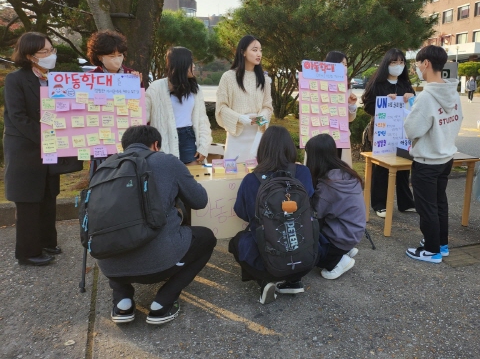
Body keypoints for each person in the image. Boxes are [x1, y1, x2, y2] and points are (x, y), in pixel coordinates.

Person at [97, 125, 216, 325]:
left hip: (109, 265)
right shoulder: (166, 161)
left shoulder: (105, 167)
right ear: (155, 145)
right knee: (206, 238)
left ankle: (122, 301)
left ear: (124, 146)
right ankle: (163, 302)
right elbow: (199, 201)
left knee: (115, 230)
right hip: (160, 264)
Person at [228, 126, 314, 304]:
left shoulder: (251, 180)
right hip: (305, 255)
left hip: (268, 254)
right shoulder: (303, 173)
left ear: (262, 150)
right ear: (290, 148)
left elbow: (241, 212)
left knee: (237, 242)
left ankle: (265, 279)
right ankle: (293, 279)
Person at [4, 32, 61, 266]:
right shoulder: (16, 79)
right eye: (44, 52)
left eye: (52, 50)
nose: (50, 56)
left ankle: (47, 241)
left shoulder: (55, 79)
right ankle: (27, 253)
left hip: (49, 148)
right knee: (28, 201)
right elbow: (17, 117)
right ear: (29, 56)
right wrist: (47, 137)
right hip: (25, 150)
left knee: (48, 195)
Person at [404, 45, 462, 263]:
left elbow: (412, 130)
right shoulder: (452, 93)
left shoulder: (427, 97)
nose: (417, 68)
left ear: (426, 63)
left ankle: (431, 250)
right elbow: (458, 120)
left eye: (418, 64)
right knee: (439, 203)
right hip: (445, 157)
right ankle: (441, 243)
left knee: (426, 206)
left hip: (427, 161)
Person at [361, 48, 416, 218]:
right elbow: (367, 105)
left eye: (401, 62)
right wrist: (384, 101)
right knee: (381, 167)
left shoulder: (405, 84)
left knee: (403, 166)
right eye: (394, 62)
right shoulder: (377, 83)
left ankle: (406, 203)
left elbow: (414, 106)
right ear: (387, 64)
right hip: (382, 131)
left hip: (403, 132)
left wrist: (410, 97)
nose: (398, 66)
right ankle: (379, 204)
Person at [305, 134, 365, 280]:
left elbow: (315, 213)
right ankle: (343, 250)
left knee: (305, 250)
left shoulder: (328, 185)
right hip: (354, 230)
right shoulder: (345, 172)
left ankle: (338, 260)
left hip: (342, 235)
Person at [86, 30, 142, 175]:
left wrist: (138, 86)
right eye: (112, 56)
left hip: (126, 137)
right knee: (102, 178)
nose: (117, 60)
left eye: (120, 55)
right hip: (100, 139)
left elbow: (140, 108)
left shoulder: (131, 76)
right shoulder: (90, 78)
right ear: (99, 57)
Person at [146, 47, 212, 165]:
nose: (194, 66)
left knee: (191, 178)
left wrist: (204, 145)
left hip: (188, 138)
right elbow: (142, 117)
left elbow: (202, 120)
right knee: (167, 177)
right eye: (191, 63)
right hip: (164, 139)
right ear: (181, 64)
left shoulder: (196, 90)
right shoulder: (156, 88)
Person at [216, 35, 273, 162]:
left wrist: (262, 118)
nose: (259, 54)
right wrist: (241, 118)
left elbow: (267, 106)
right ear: (243, 52)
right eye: (254, 50)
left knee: (256, 173)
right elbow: (221, 107)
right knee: (233, 174)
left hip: (257, 134)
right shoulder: (228, 77)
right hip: (237, 134)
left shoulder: (265, 80)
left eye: (260, 50)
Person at [324, 51, 357, 165]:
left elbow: (349, 119)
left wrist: (351, 105)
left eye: (346, 65)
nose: (344, 67)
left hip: (340, 137)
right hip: (321, 137)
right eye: (340, 63)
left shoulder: (346, 88)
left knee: (338, 168)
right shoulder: (319, 86)